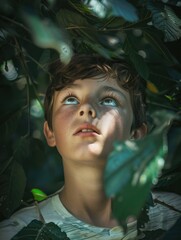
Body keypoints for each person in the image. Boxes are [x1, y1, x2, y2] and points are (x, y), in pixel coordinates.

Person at [0, 54, 180, 240]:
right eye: (70, 99)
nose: (86, 108)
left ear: (135, 135)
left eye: (109, 100)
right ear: (50, 132)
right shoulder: (15, 232)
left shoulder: (174, 216)